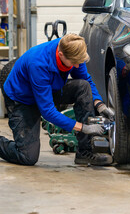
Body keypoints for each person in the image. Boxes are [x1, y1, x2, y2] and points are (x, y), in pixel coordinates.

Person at [0, 33, 113, 166]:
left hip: (49, 89)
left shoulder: (73, 49)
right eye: (74, 63)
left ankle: (84, 151)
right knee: (27, 156)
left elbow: (85, 78)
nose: (77, 66)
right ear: (60, 55)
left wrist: (99, 104)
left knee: (83, 86)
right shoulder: (38, 64)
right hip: (22, 99)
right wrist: (83, 128)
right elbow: (48, 112)